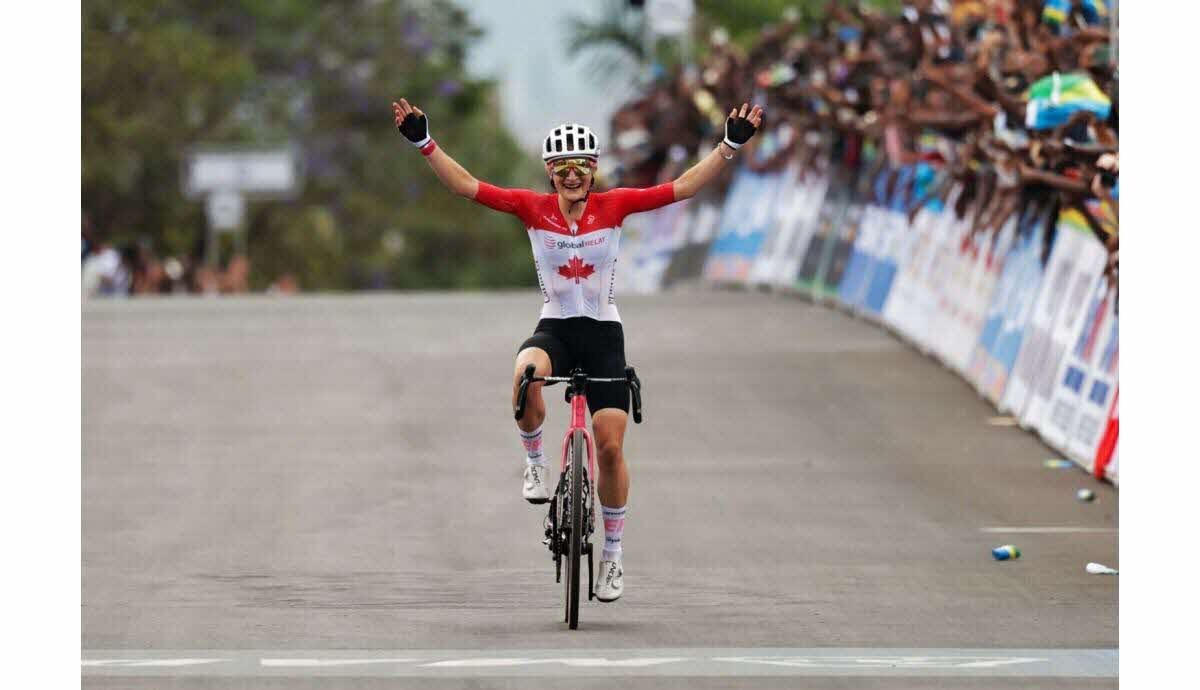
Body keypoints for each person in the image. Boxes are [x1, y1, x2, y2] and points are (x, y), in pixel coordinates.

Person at [392, 97, 763, 602]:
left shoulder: (616, 205)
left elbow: (682, 188)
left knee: (609, 448)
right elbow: (465, 186)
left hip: (604, 334)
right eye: (562, 168)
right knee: (525, 374)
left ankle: (611, 556)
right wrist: (423, 142)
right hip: (557, 330)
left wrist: (729, 146)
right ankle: (535, 462)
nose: (572, 176)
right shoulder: (530, 208)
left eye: (581, 167)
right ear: (550, 173)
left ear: (593, 172)